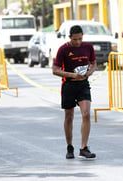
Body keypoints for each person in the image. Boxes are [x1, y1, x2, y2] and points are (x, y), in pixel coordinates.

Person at [52, 25, 97, 160]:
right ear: (70, 37)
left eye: (80, 39)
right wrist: (71, 75)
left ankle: (84, 147)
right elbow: (55, 70)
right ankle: (69, 146)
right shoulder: (63, 49)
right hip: (69, 85)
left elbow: (94, 63)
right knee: (69, 116)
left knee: (86, 114)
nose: (78, 42)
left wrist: (91, 71)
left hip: (83, 84)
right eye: (75, 39)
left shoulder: (88, 47)